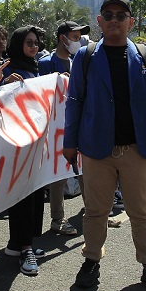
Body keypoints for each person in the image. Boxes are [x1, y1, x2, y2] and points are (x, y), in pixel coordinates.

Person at [63, 0, 146, 291]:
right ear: (99, 21)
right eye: (109, 15)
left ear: (131, 22)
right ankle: (91, 261)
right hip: (96, 148)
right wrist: (70, 141)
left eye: (121, 15)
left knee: (141, 211)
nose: (115, 20)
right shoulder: (86, 55)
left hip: (137, 148)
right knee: (95, 211)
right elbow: (75, 100)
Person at [1, 25, 49, 275]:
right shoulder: (8, 70)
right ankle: (25, 247)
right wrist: (4, 84)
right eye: (29, 43)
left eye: (36, 43)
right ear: (18, 43)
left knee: (35, 193)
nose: (34, 47)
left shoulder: (34, 69)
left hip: (35, 143)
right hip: (18, 144)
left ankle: (17, 244)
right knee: (23, 196)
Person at [38, 21, 90, 236]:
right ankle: (57, 219)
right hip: (55, 129)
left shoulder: (76, 61)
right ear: (63, 38)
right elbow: (40, 93)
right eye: (75, 37)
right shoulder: (45, 63)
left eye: (79, 38)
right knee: (58, 175)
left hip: (76, 125)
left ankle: (94, 213)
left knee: (85, 171)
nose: (78, 41)